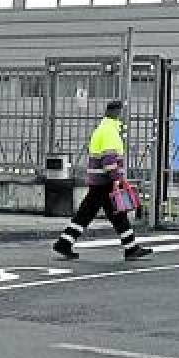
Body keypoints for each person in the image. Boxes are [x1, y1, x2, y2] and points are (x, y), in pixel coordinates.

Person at [52, 100, 153, 261]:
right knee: (110, 214)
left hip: (98, 180)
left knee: (93, 214)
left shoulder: (102, 129)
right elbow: (109, 160)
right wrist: (117, 179)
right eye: (123, 114)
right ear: (118, 113)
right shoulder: (110, 132)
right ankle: (131, 248)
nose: (125, 118)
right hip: (105, 182)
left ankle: (65, 243)